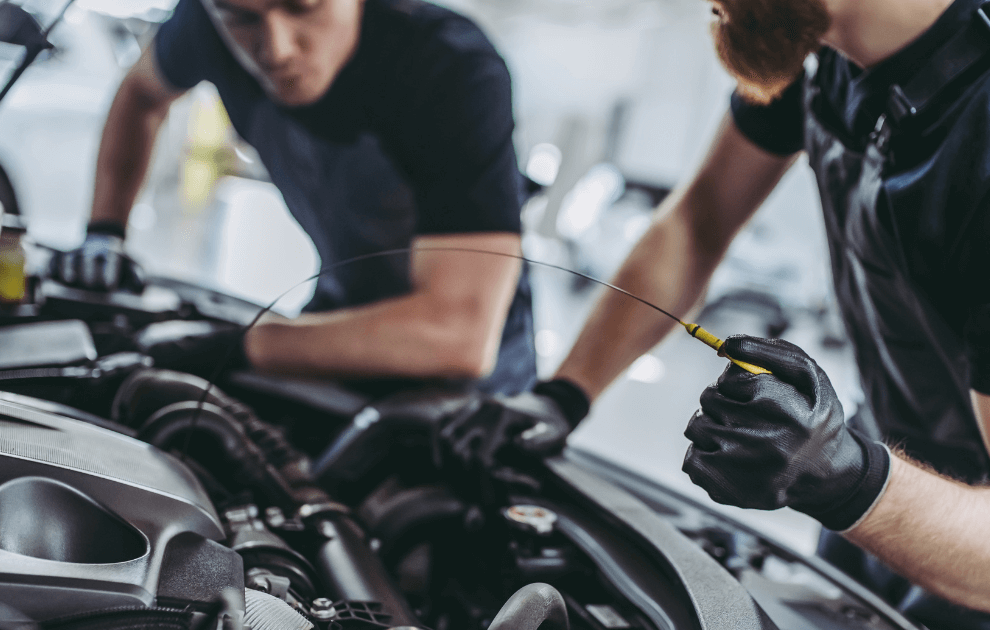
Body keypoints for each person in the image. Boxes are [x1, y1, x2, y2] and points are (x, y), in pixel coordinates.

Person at [442, 0, 990, 622]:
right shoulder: (818, 54)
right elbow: (698, 221)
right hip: (881, 481)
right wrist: (564, 393)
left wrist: (845, 474)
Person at [53, 0, 536, 395]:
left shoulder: (450, 69)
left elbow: (458, 335)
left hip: (468, 379)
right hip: (337, 316)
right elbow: (141, 92)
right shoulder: (209, 20)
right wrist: (105, 232)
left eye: (303, 7)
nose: (276, 49)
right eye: (242, 18)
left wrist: (238, 347)